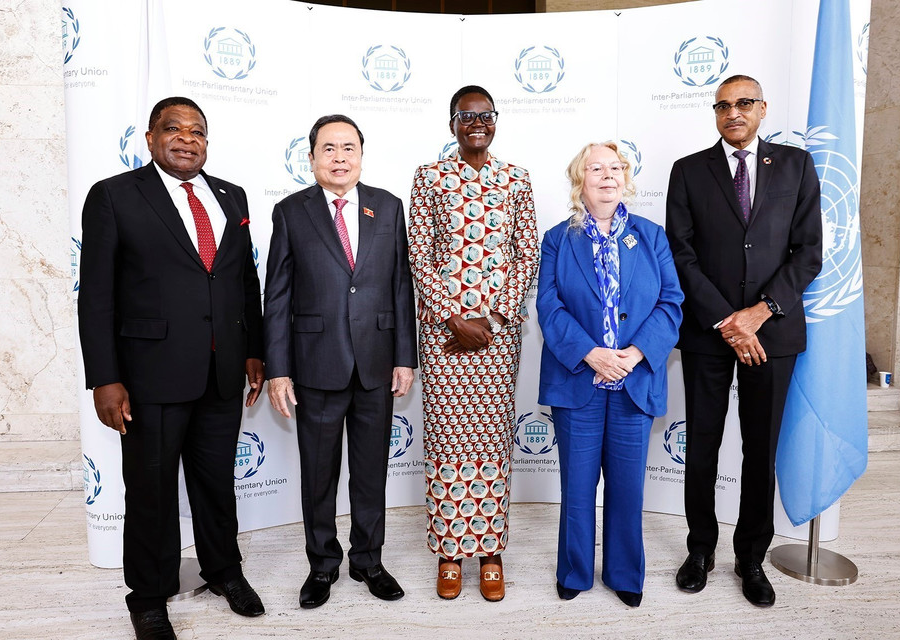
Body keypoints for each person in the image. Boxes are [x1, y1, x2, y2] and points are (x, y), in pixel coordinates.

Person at [77, 96, 266, 640]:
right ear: (151, 138)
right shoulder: (114, 195)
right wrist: (105, 377)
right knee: (152, 491)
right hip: (149, 375)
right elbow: (96, 295)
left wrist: (254, 350)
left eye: (197, 131)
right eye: (173, 129)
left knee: (216, 484)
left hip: (221, 372)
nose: (186, 138)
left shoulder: (231, 195)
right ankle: (148, 597)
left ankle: (224, 571)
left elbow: (242, 280)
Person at [666, 74, 822, 607]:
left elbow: (808, 251)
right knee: (702, 447)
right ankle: (700, 550)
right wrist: (727, 321)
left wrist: (758, 314)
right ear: (715, 113)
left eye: (743, 103)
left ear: (762, 108)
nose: (733, 112)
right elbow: (681, 255)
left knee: (760, 450)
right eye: (723, 106)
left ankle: (751, 558)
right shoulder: (688, 170)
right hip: (708, 333)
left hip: (772, 333)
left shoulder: (796, 165)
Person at [263, 114, 417, 609]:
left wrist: (405, 357)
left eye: (348, 148)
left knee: (370, 472)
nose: (339, 157)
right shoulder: (291, 212)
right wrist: (278, 370)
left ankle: (369, 561)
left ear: (361, 155)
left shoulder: (387, 207)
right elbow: (277, 296)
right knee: (319, 475)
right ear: (311, 158)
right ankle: (322, 565)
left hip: (376, 363)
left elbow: (400, 286)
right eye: (328, 148)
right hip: (316, 364)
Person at [407, 85, 540, 601]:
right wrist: (453, 318)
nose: (477, 123)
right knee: (447, 440)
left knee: (491, 439)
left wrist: (494, 316)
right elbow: (419, 252)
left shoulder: (516, 179)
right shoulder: (429, 177)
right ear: (452, 124)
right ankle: (448, 551)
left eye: (486, 115)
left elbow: (526, 253)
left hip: (498, 335)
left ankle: (490, 551)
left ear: (496, 121)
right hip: (444, 335)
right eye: (467, 116)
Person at [537, 142, 683, 607]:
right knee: (577, 489)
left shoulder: (651, 236)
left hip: (633, 384)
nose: (607, 175)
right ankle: (575, 571)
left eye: (615, 167)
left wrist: (636, 354)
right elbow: (549, 306)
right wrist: (590, 354)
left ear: (626, 178)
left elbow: (671, 302)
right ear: (579, 179)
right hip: (578, 382)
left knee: (627, 489)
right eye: (596, 168)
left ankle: (624, 574)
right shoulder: (558, 239)